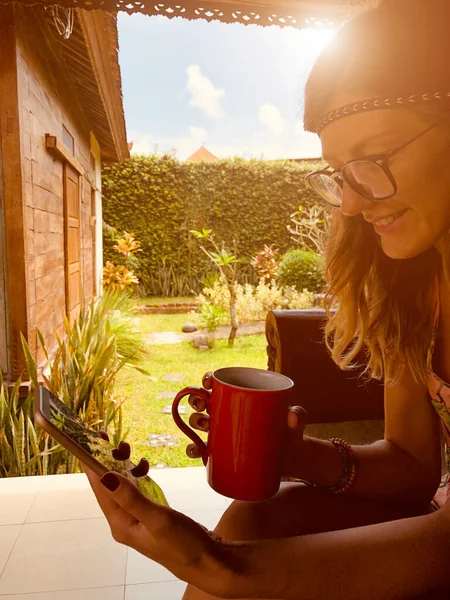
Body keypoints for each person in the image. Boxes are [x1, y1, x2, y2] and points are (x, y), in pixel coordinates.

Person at [85, 1, 450, 597]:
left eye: (373, 159)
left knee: (234, 566)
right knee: (253, 520)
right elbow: (414, 468)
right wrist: (295, 454)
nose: (353, 203)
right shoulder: (416, 285)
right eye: (339, 172)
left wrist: (214, 566)